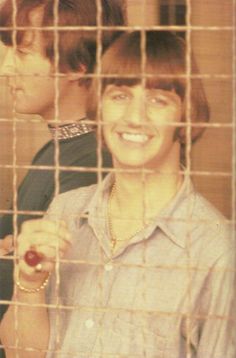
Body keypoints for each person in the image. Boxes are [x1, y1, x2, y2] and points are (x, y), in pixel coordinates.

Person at [0, 31, 234, 357]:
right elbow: (21, 353)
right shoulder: (65, 210)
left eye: (157, 99)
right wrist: (29, 281)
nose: (134, 117)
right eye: (120, 96)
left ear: (187, 117)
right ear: (99, 107)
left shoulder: (218, 252)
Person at [0, 0, 126, 355]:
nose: (6, 68)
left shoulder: (93, 163)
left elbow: (59, 305)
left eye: (21, 53)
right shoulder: (61, 146)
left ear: (76, 65)